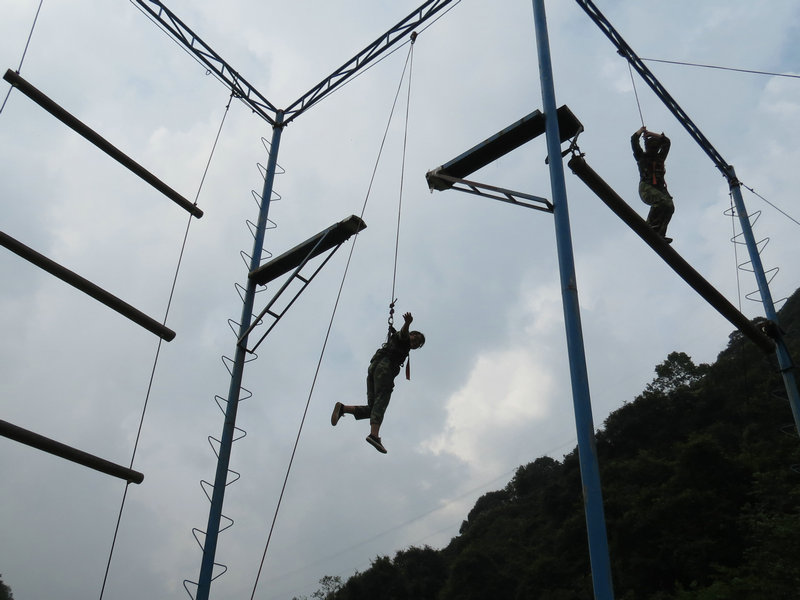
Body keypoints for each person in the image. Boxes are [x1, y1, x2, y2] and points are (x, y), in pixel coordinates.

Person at [330, 311, 425, 454]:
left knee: (373, 408)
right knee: (381, 403)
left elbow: (403, 336)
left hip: (374, 369)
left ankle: (342, 408)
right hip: (384, 370)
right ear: (410, 335)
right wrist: (407, 323)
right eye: (415, 338)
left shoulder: (400, 342)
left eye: (417, 343)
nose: (415, 342)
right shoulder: (403, 340)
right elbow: (404, 334)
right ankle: (374, 435)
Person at [631, 126, 675, 243]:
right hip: (646, 188)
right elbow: (634, 140)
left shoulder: (660, 158)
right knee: (661, 202)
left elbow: (667, 141)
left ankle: (660, 233)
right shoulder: (642, 157)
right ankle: (650, 226)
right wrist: (641, 131)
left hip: (659, 189)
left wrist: (650, 133)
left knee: (669, 206)